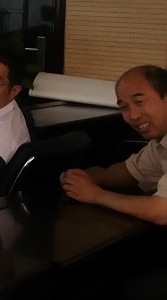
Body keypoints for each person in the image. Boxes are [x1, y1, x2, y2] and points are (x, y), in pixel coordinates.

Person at [61, 65, 167, 225]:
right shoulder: (161, 141)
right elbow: (131, 171)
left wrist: (97, 196)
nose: (133, 115)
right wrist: (91, 179)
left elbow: (161, 211)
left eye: (139, 102)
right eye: (124, 107)